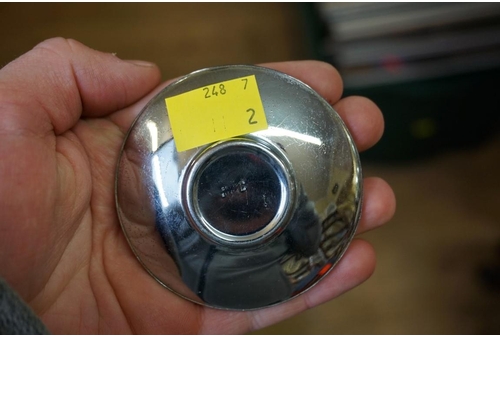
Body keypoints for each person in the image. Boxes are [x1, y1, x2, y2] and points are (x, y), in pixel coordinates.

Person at [0, 38, 396, 334]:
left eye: (248, 183)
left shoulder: (282, 204)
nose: (240, 193)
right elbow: (306, 245)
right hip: (207, 281)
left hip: (256, 279)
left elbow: (308, 243)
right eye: (228, 186)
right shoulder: (168, 209)